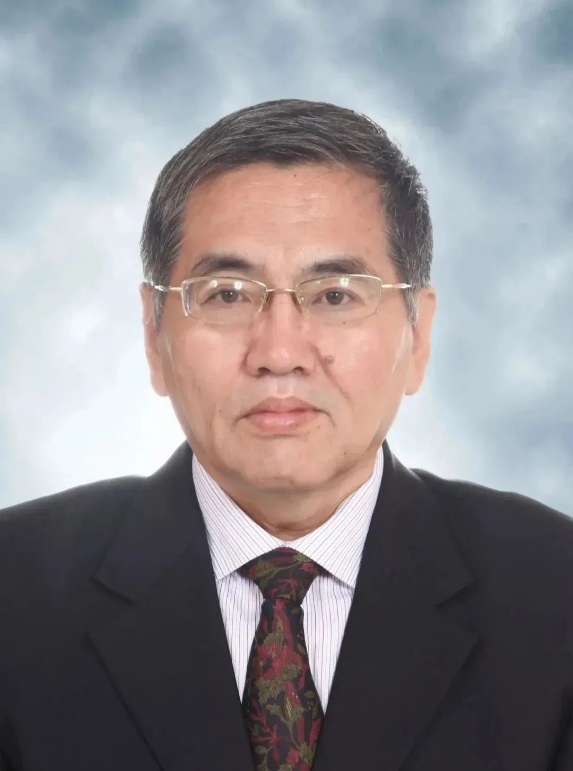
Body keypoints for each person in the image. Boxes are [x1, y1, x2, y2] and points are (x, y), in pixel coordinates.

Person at [1, 99, 572, 771]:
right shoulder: (16, 593)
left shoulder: (553, 593)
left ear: (417, 335)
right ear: (155, 335)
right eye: (227, 294)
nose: (279, 353)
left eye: (334, 295)